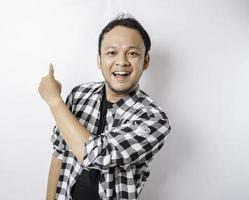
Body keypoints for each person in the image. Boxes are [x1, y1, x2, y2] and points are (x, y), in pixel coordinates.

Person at [38, 14, 172, 200]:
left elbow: (95, 154)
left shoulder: (154, 120)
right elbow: (59, 152)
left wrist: (54, 100)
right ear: (99, 60)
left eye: (132, 53)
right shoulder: (79, 95)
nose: (122, 61)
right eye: (111, 53)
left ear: (146, 61)